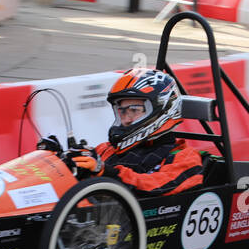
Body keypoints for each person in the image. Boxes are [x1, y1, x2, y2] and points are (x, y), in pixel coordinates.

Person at [68, 69, 206, 196]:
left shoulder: (185, 157)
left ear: (163, 109)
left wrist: (108, 172)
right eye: (122, 111)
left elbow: (155, 186)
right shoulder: (108, 149)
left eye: (134, 110)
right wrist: (63, 158)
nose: (126, 119)